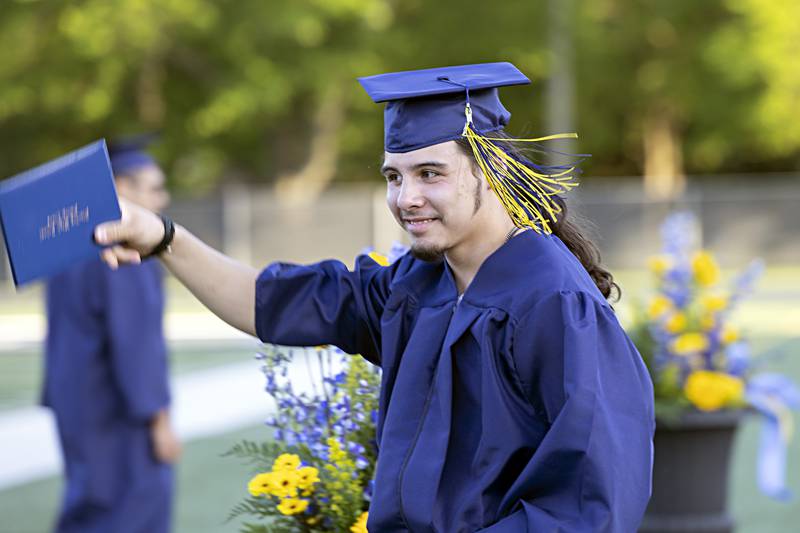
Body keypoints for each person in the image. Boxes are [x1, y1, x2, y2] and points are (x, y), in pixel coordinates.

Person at [95, 63, 655, 532]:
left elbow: (592, 502)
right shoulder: (416, 285)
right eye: (394, 177)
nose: (406, 198)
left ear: (493, 169)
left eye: (430, 173)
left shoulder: (552, 302)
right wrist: (165, 238)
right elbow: (268, 302)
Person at [43, 137, 180, 533]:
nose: (163, 198)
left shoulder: (69, 246)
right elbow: (135, 345)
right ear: (121, 187)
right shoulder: (122, 253)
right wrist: (159, 420)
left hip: (77, 406)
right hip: (119, 414)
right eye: (153, 187)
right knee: (130, 514)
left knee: (87, 508)